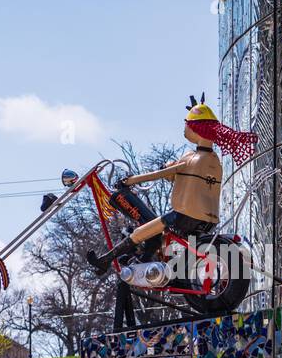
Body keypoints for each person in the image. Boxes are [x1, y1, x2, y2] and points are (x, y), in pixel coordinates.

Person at [86, 96, 256, 275]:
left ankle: (104, 261)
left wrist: (129, 181)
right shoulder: (214, 162)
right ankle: (145, 262)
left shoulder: (192, 158)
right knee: (161, 240)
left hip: (183, 218)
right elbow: (187, 180)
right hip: (208, 221)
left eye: (187, 125)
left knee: (139, 232)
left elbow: (157, 175)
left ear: (197, 129)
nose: (185, 129)